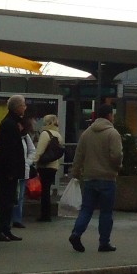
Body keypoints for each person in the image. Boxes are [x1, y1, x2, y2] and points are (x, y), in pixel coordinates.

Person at [68, 102, 123, 253]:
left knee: (86, 209)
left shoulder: (87, 133)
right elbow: (117, 155)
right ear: (109, 115)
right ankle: (104, 242)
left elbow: (79, 155)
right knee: (106, 212)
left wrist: (76, 172)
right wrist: (117, 167)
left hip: (89, 178)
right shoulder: (113, 133)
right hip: (107, 178)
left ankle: (76, 233)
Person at [0, 95, 29, 242]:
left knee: (10, 200)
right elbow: (8, 149)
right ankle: (2, 229)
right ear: (17, 107)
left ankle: (6, 229)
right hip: (8, 170)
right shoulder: (9, 124)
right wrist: (10, 170)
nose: (25, 107)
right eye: (23, 105)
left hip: (11, 169)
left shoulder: (13, 122)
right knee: (6, 200)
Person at [34, 114, 63, 221]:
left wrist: (34, 162)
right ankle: (47, 214)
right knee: (47, 189)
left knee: (44, 191)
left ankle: (45, 215)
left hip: (44, 166)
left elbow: (40, 150)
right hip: (53, 166)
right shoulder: (58, 134)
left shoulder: (45, 134)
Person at [12, 111, 36, 228]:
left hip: (24, 170)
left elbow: (32, 150)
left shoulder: (25, 137)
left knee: (20, 196)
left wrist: (27, 162)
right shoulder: (14, 136)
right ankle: (12, 218)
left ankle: (17, 218)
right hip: (15, 169)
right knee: (14, 195)